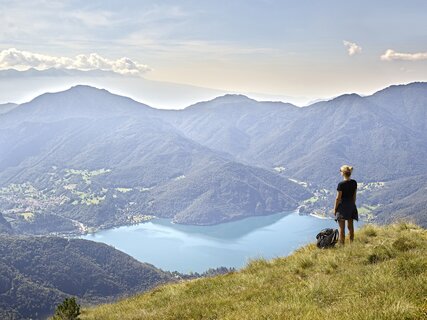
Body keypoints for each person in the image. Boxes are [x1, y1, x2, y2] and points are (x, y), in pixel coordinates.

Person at [334, 165, 358, 245]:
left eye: (340, 171)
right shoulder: (354, 182)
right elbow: (354, 195)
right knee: (350, 227)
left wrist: (335, 209)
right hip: (351, 205)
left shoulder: (341, 184)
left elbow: (338, 198)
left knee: (342, 228)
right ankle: (351, 243)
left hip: (342, 207)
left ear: (343, 173)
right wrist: (353, 205)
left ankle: (342, 245)